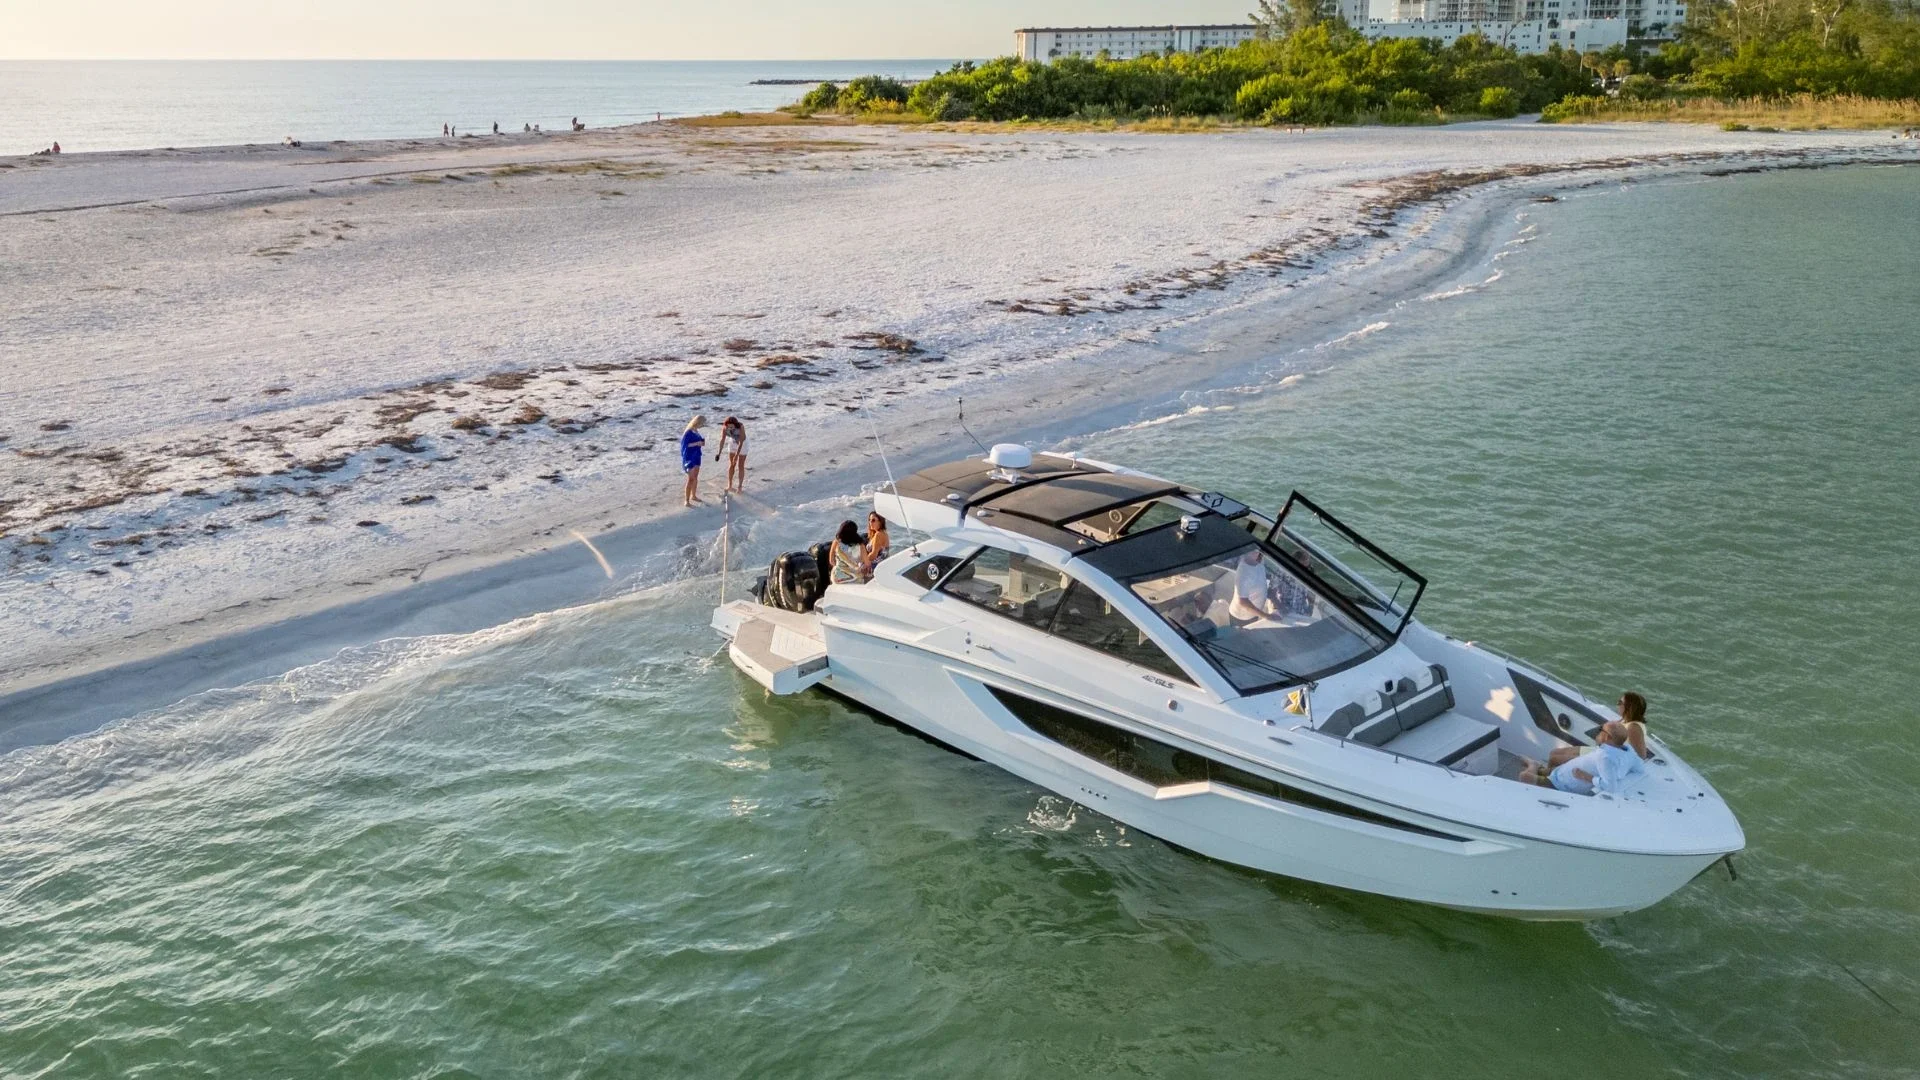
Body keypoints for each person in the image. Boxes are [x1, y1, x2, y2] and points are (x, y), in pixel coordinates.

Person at [1520, 721, 1644, 795]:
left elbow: (1611, 787)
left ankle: (1533, 766)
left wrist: (1586, 777)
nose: (1597, 731)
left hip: (1561, 784)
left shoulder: (1605, 758)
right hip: (1560, 772)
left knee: (1524, 777)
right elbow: (1640, 769)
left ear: (1607, 737)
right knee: (1550, 765)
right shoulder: (1628, 750)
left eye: (1601, 729)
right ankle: (1540, 769)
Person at [1543, 691, 1652, 769]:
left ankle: (1548, 782)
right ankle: (1551, 776)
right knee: (1554, 753)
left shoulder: (1634, 727)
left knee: (1554, 759)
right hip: (1599, 751)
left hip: (1605, 757)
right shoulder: (1625, 720)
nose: (1617, 705)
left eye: (1620, 702)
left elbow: (1641, 756)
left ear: (1629, 707)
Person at [1229, 549, 1279, 621]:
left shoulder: (1258, 559)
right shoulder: (1244, 573)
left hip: (1255, 613)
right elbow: (1242, 601)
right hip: (1241, 617)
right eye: (1255, 550)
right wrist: (1266, 616)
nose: (1259, 552)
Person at [715, 416, 747, 492]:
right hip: (732, 442)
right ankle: (730, 485)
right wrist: (719, 453)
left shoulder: (741, 427)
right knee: (732, 464)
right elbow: (722, 440)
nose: (730, 428)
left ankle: (740, 486)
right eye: (729, 427)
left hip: (743, 444)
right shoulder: (725, 428)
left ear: (735, 425)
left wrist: (736, 455)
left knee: (740, 465)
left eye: (732, 427)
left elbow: (741, 443)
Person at [679, 415, 706, 506]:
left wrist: (702, 443)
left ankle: (693, 495)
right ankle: (686, 500)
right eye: (702, 423)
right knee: (691, 478)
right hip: (689, 457)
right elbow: (685, 445)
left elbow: (700, 442)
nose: (703, 425)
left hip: (697, 456)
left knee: (695, 477)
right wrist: (697, 443)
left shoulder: (697, 432)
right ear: (698, 422)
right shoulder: (688, 432)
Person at [829, 520, 864, 586]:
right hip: (856, 577)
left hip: (838, 578)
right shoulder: (860, 544)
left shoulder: (836, 542)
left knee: (834, 572)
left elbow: (831, 561)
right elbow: (866, 563)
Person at [860, 512, 891, 579]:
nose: (870, 522)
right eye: (869, 520)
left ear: (880, 521)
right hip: (883, 566)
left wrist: (862, 562)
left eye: (873, 520)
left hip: (875, 568)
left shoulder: (878, 535)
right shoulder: (883, 533)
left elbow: (873, 555)